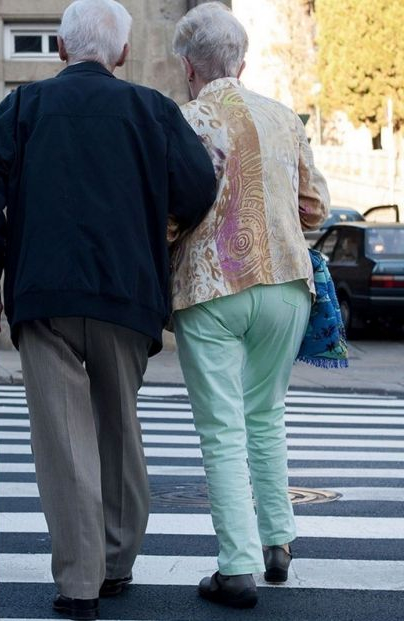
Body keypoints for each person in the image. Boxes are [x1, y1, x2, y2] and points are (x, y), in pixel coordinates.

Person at [0, 1, 217, 618]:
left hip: (44, 297)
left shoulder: (19, 109)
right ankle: (118, 560)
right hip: (126, 296)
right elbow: (198, 187)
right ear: (123, 53)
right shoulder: (153, 111)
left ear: (59, 47)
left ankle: (80, 582)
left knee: (64, 440)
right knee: (118, 426)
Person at [169, 2, 329, 609]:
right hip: (288, 284)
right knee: (266, 414)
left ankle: (236, 567)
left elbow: (172, 210)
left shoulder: (188, 118)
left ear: (188, 65)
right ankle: (279, 542)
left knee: (221, 427)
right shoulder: (285, 118)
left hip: (212, 287)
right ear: (244, 59)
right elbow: (313, 206)